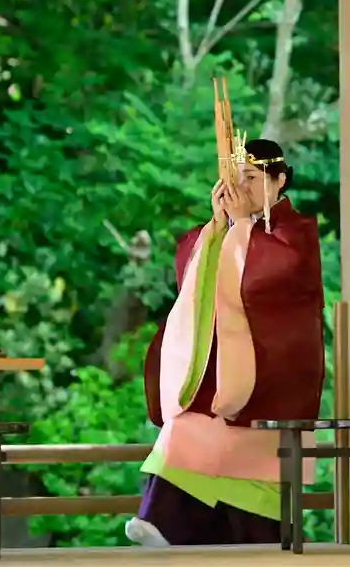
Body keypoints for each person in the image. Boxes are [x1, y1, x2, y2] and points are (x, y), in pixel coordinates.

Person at [125, 138, 325, 546]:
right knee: (187, 429)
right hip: (227, 372)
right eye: (235, 179)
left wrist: (243, 228)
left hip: (274, 374)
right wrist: (218, 228)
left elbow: (270, 276)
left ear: (279, 180)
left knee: (247, 468)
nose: (241, 187)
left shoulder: (296, 231)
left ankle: (168, 523)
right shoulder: (231, 226)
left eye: (251, 177)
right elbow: (192, 279)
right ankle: (162, 522)